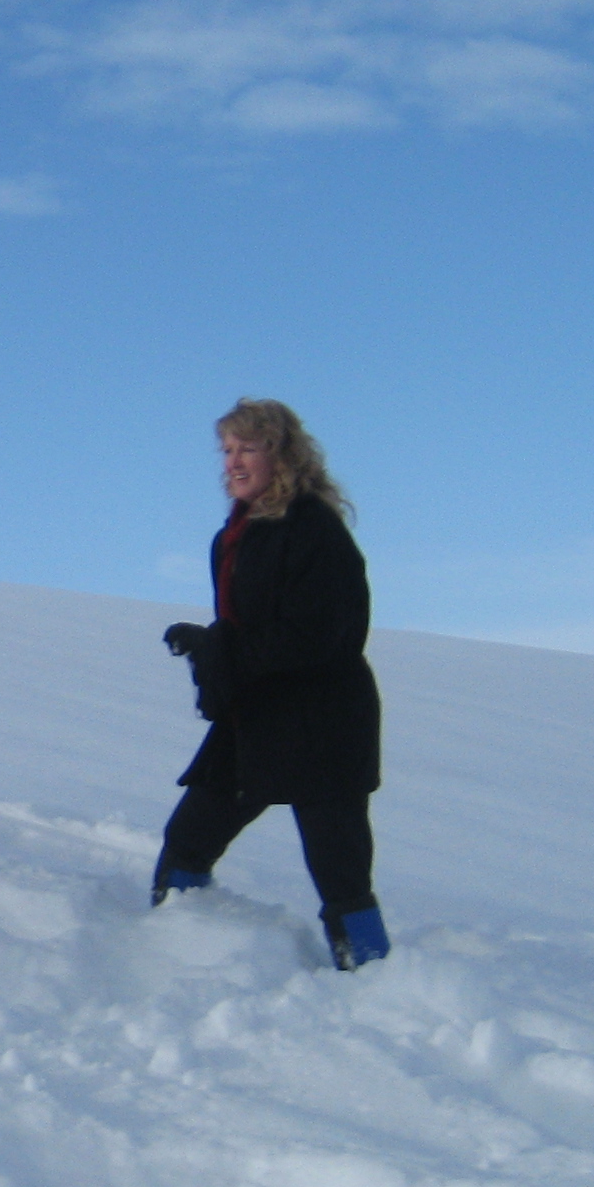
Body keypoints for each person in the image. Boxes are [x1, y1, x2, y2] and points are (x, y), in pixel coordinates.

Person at [153, 398, 393, 970]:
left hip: (321, 721)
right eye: (227, 450)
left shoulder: (313, 528)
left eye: (248, 449)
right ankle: (170, 956)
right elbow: (255, 628)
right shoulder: (234, 536)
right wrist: (211, 644)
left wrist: (222, 649)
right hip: (257, 716)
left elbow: (323, 635)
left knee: (340, 868)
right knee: (188, 838)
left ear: (281, 455)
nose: (233, 462)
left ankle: (376, 977)